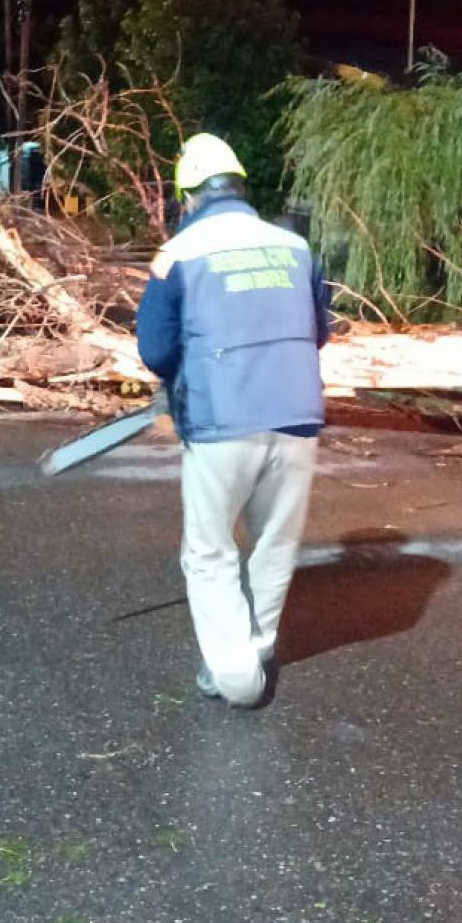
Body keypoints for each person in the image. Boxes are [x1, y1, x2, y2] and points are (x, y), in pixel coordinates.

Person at [136, 133, 333, 708]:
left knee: (209, 549)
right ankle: (259, 646)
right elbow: (319, 330)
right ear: (240, 186)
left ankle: (234, 674)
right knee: (275, 540)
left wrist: (175, 385)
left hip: (221, 422)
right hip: (297, 417)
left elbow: (155, 349)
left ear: (188, 195)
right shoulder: (293, 246)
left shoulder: (177, 254)